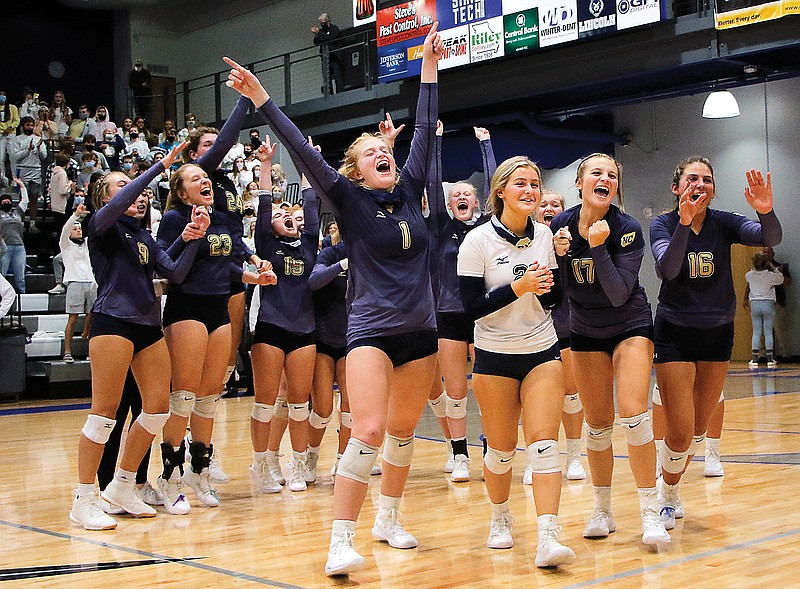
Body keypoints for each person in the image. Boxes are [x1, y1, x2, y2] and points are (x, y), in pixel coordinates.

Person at [224, 22, 442, 577]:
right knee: (366, 428)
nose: (380, 154)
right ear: (355, 170)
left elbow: (423, 129)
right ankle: (340, 541)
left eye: (382, 148)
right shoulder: (344, 198)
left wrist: (428, 68)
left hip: (421, 331)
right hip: (369, 330)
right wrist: (261, 99)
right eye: (369, 152)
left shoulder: (410, 190)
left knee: (401, 433)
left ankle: (388, 519)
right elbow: (300, 147)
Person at [69, 142, 210, 530]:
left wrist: (193, 237)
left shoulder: (143, 237)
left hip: (148, 325)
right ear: (105, 197)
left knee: (157, 409)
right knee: (103, 416)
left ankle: (122, 485)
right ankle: (83, 499)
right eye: (122, 186)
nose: (137, 193)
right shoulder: (101, 224)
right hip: (112, 321)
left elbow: (174, 272)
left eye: (136, 187)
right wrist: (156, 168)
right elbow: (119, 203)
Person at [457, 156, 576, 567]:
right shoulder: (476, 241)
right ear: (501, 191)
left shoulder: (546, 234)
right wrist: (518, 286)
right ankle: (500, 516)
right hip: (494, 356)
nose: (530, 191)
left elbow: (554, 300)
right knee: (502, 449)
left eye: (535, 184)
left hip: (541, 349)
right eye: (521, 183)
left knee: (544, 444)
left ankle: (548, 536)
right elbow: (471, 308)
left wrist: (545, 285)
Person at [155, 105, 275, 514]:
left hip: (218, 310)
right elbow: (172, 270)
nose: (204, 180)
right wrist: (192, 236)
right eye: (195, 178)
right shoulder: (174, 220)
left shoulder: (222, 219)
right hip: (186, 308)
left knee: (210, 397)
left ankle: (199, 471)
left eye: (206, 178)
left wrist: (254, 276)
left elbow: (229, 264)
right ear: (181, 190)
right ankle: (168, 478)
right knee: (183, 397)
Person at [650, 160, 781, 530]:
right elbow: (667, 269)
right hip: (675, 332)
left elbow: (771, 237)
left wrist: (765, 210)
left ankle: (669, 483)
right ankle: (667, 494)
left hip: (717, 333)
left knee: (697, 429)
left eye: (707, 180)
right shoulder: (662, 223)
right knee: (679, 426)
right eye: (692, 178)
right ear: (677, 187)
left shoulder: (723, 222)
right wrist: (684, 224)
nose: (701, 184)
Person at [550, 153, 670, 546]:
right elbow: (554, 294)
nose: (605, 179)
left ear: (616, 187)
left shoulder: (627, 227)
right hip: (585, 331)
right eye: (597, 173)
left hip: (629, 325)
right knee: (598, 424)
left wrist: (597, 248)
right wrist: (558, 257)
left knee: (634, 414)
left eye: (612, 175)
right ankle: (602, 509)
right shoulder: (559, 226)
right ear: (580, 183)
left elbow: (619, 293)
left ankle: (650, 512)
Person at [249, 139, 320, 493]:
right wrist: (265, 164)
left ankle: (297, 464)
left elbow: (310, 200)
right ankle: (261, 463)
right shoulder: (266, 245)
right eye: (279, 216)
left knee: (299, 404)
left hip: (304, 330)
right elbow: (264, 205)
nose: (286, 217)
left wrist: (306, 162)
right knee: (265, 403)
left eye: (289, 215)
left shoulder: (309, 245)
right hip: (271, 329)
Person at [426, 123, 494, 482]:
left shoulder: (486, 226)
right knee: (455, 392)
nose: (462, 199)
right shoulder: (439, 226)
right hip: (448, 314)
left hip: (482, 313)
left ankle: (493, 444)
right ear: (450, 204)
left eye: (468, 194)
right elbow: (433, 183)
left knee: (486, 385)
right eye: (457, 196)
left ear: (476, 201)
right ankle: (459, 453)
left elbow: (497, 183)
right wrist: (436, 141)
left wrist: (485, 144)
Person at [521, 189, 587, 484]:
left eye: (555, 204)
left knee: (571, 396)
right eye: (543, 203)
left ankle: (574, 456)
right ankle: (534, 459)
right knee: (532, 401)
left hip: (566, 324)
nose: (548, 207)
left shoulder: (574, 239)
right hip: (531, 327)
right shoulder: (524, 240)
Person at [59, 206, 94, 363]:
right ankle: (67, 350)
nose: (78, 230)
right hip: (74, 282)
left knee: (92, 316)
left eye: (80, 228)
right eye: (75, 228)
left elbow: (95, 231)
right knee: (72, 319)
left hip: (91, 283)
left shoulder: (87, 244)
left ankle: (89, 348)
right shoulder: (66, 245)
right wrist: (75, 216)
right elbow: (65, 229)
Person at [744, 251, 784, 368]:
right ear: (766, 263)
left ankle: (755, 359)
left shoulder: (749, 275)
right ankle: (770, 359)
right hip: (768, 303)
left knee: (756, 332)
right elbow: (780, 279)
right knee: (768, 332)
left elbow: (748, 276)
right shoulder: (770, 276)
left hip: (755, 304)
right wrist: (774, 268)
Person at [10, 117, 47, 233]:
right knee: (23, 199)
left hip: (36, 170)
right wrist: (28, 150)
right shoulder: (17, 139)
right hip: (23, 170)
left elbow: (44, 157)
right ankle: (20, 223)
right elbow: (16, 157)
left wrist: (40, 148)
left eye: (31, 125)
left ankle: (32, 224)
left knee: (34, 199)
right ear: (22, 126)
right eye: (27, 125)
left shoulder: (39, 139)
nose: (30, 127)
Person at [0, 179, 30, 293]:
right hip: (4, 248)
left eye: (8, 202)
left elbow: (25, 201)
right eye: (4, 202)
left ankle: (22, 297)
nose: (6, 204)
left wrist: (22, 185)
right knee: (2, 275)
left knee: (20, 277)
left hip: (19, 247)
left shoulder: (17, 212)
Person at [312, 13, 345, 94]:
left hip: (335, 57)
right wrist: (317, 35)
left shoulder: (335, 29)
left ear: (328, 21)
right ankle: (329, 94)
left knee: (337, 76)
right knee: (327, 78)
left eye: (323, 23)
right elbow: (316, 42)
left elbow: (330, 38)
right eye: (321, 23)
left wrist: (319, 33)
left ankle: (339, 93)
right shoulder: (322, 31)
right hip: (325, 57)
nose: (322, 25)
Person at [0, 90, 21, 185]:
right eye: (0, 95)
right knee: (1, 158)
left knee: (13, 157)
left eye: (4, 94)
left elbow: (17, 120)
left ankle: (15, 179)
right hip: (1, 135)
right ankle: (3, 179)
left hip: (11, 134)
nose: (2, 96)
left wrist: (10, 127)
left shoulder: (12, 107)